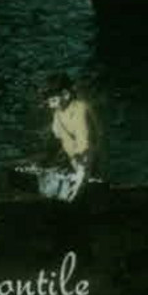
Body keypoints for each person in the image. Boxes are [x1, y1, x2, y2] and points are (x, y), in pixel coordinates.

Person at [42, 73, 103, 202]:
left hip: (92, 161)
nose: (48, 102)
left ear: (65, 95)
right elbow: (60, 139)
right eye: (47, 98)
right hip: (78, 163)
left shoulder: (80, 110)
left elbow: (84, 143)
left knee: (92, 195)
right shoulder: (58, 113)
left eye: (52, 98)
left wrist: (82, 173)